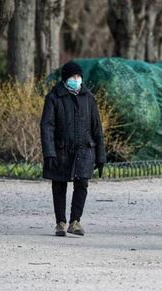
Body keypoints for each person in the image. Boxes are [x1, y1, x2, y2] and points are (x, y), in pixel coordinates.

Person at [40, 61, 106, 236]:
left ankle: (75, 221)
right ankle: (60, 223)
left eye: (78, 77)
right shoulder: (54, 97)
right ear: (65, 78)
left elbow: (97, 128)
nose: (76, 80)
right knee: (59, 185)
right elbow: (47, 126)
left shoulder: (89, 98)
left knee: (82, 184)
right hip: (61, 150)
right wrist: (49, 153)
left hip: (85, 150)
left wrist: (100, 157)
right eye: (72, 77)